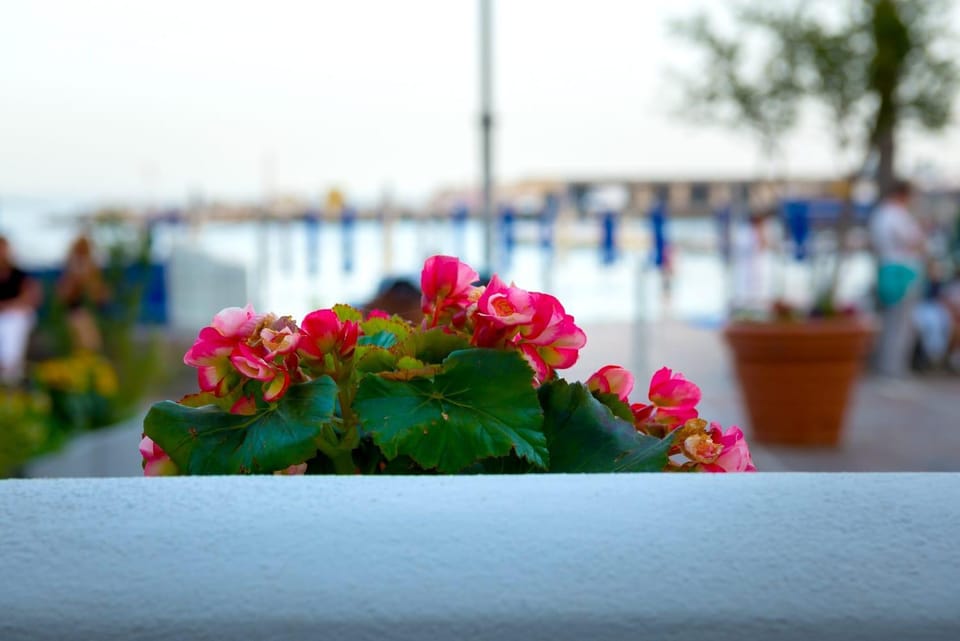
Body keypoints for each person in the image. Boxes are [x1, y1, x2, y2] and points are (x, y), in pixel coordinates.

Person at [869, 180, 927, 377]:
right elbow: (914, 240)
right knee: (900, 323)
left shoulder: (880, 214)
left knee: (890, 321)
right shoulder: (896, 214)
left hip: (888, 270)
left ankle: (887, 365)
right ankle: (893, 368)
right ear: (903, 195)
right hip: (902, 273)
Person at [56, 235, 109, 352]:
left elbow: (102, 297)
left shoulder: (93, 270)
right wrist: (75, 280)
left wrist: (90, 281)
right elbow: (63, 296)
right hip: (75, 311)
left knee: (92, 343)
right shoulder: (69, 271)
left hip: (92, 313)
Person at [0, 236, 41, 384]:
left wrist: (8, 306)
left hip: (18, 317)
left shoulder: (20, 275)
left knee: (13, 322)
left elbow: (32, 299)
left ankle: (10, 374)